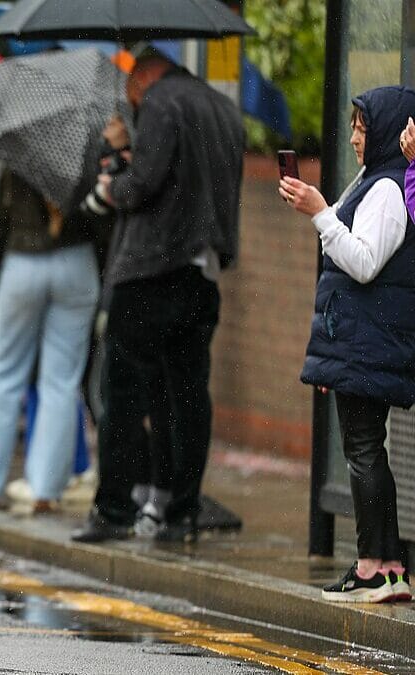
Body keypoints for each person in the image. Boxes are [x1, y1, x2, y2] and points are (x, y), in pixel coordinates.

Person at [71, 52, 244, 543]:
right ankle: (180, 510)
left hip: (150, 268)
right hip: (202, 269)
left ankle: (114, 510)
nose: (130, 100)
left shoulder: (162, 103)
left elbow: (144, 184)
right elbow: (190, 181)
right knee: (186, 394)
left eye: (130, 89)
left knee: (122, 393)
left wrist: (112, 184)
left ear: (142, 77)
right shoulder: (222, 108)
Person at [282, 87, 415, 603]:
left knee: (363, 451)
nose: (356, 137)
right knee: (367, 450)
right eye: (355, 127)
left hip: (369, 341)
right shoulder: (376, 181)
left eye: (363, 128)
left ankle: (375, 566)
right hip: (357, 342)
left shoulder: (385, 188)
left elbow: (362, 263)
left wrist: (319, 212)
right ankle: (387, 567)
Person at [0, 155, 101, 514]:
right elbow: (105, 223)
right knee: (62, 382)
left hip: (22, 263)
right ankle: (46, 491)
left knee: (2, 376)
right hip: (77, 263)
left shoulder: (17, 154)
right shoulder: (87, 154)